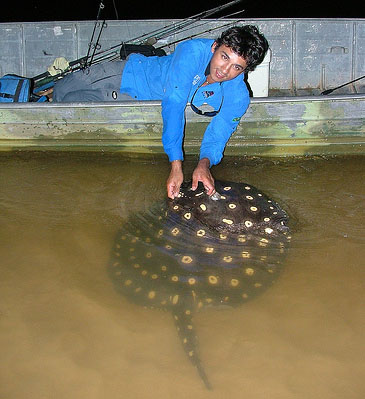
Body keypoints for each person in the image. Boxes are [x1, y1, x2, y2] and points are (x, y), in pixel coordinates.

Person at [53, 26, 269, 198]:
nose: (225, 70)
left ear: (245, 70)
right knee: (61, 89)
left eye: (237, 67)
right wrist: (176, 165)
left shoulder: (238, 96)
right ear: (214, 47)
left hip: (139, 99)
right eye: (224, 57)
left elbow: (219, 133)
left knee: (70, 103)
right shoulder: (192, 51)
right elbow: (174, 103)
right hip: (130, 74)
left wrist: (204, 164)